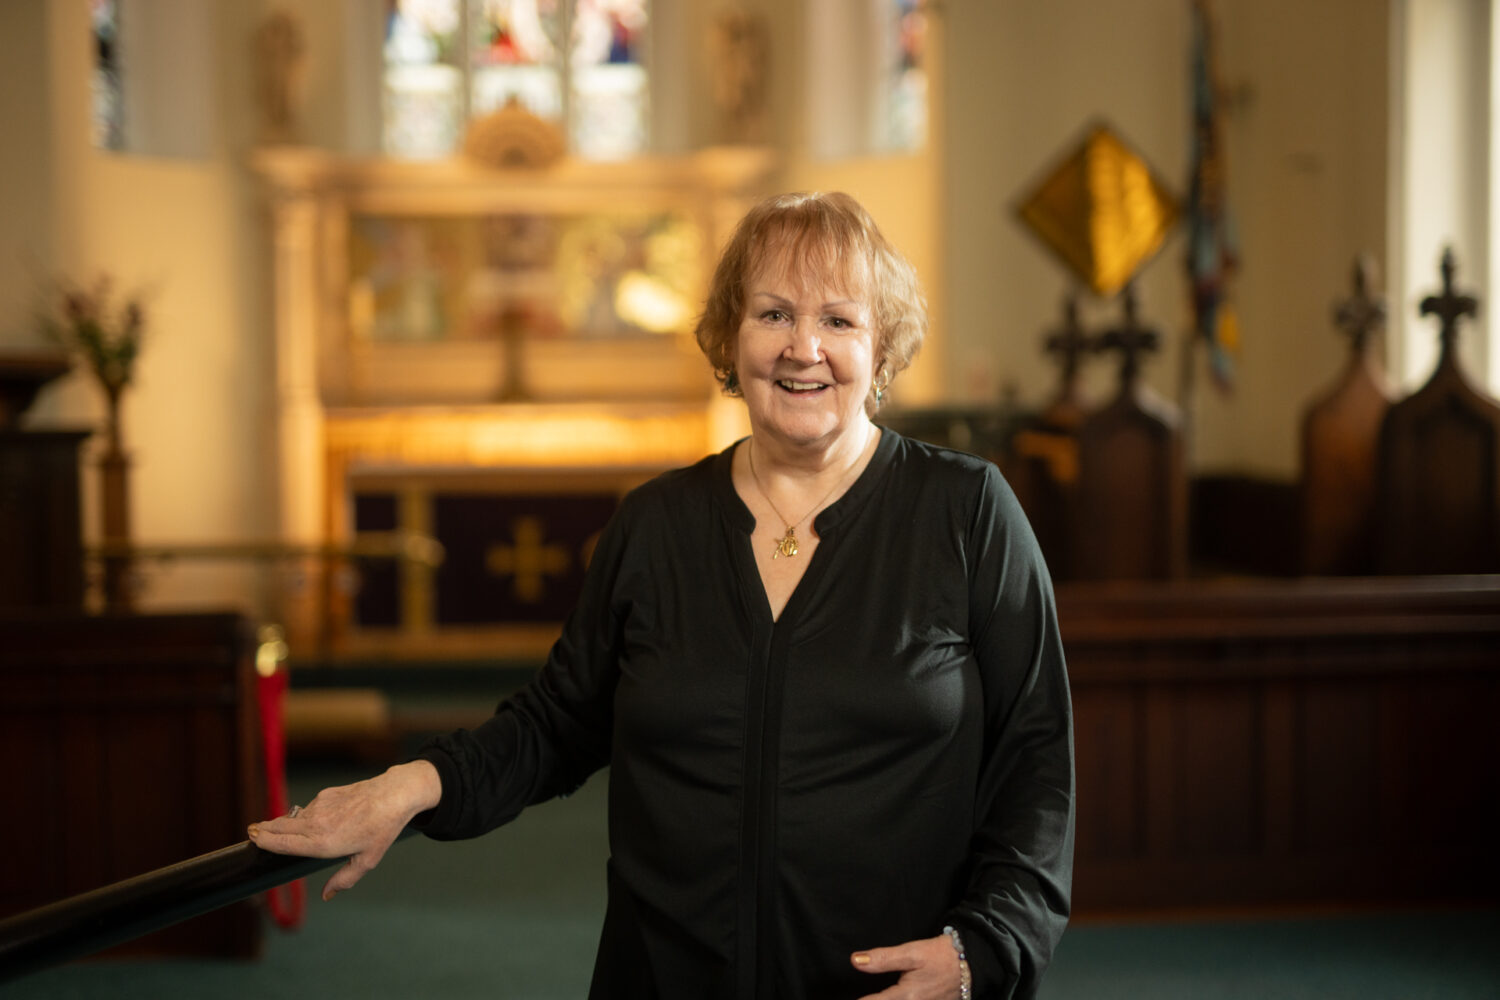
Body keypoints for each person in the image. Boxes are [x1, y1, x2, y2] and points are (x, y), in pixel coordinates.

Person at [249, 191, 1074, 999]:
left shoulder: (967, 511)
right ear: (730, 334)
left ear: (882, 344)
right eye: (774, 314)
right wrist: (408, 786)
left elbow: (1037, 760)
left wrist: (981, 953)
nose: (803, 348)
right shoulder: (656, 524)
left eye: (838, 320)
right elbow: (558, 723)